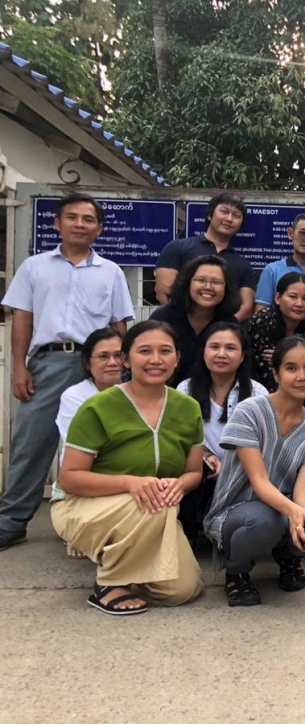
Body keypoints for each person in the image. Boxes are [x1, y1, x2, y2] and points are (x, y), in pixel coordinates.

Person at [0, 192, 135, 552]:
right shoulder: (35, 267)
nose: (80, 224)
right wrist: (19, 368)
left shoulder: (111, 272)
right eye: (72, 217)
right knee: (32, 442)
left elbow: (119, 324)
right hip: (49, 361)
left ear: (99, 228)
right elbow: (22, 320)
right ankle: (12, 521)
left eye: (88, 219)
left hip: (100, 364)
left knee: (110, 441)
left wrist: (123, 370)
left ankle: (103, 515)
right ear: (57, 223)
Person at [54, 320, 206, 615]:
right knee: (153, 500)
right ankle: (109, 584)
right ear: (126, 359)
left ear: (177, 358)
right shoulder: (98, 407)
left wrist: (179, 485)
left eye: (165, 351)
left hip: (150, 509)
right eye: (144, 351)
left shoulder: (188, 408)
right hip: (83, 506)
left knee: (182, 590)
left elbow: (194, 472)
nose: (155, 360)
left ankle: (127, 563)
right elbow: (70, 479)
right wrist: (129, 483)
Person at [204, 337, 305, 607]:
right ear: (275, 373)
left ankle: (288, 557)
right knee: (265, 521)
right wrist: (292, 512)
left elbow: (304, 488)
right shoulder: (250, 411)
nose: (302, 376)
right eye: (291, 368)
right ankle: (236, 570)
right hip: (239, 506)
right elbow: (258, 480)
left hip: (281, 506)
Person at [176, 322, 269, 542]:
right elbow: (182, 439)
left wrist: (231, 464)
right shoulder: (185, 389)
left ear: (243, 355)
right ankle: (188, 534)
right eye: (214, 347)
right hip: (203, 470)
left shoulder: (257, 392)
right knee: (192, 466)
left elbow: (264, 443)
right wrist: (207, 457)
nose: (221, 354)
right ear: (204, 352)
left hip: (243, 472)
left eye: (230, 348)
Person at [54, 328, 124, 559]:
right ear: (87, 362)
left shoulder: (139, 392)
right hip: (84, 483)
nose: (112, 362)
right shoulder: (75, 396)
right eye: (103, 356)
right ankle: (80, 530)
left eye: (118, 355)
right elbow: (85, 453)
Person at [154, 192, 256, 320]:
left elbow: (246, 308)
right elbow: (164, 294)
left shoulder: (243, 264)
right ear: (209, 215)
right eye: (224, 211)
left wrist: (222, 330)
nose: (229, 219)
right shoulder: (177, 248)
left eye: (236, 215)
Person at [149, 255, 241, 386]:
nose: (208, 287)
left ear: (226, 288)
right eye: (201, 280)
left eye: (216, 282)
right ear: (188, 282)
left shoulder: (230, 324)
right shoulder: (163, 317)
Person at [248, 272, 305, 392]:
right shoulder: (261, 322)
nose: (299, 304)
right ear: (278, 298)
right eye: (293, 297)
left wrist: (282, 357)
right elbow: (259, 368)